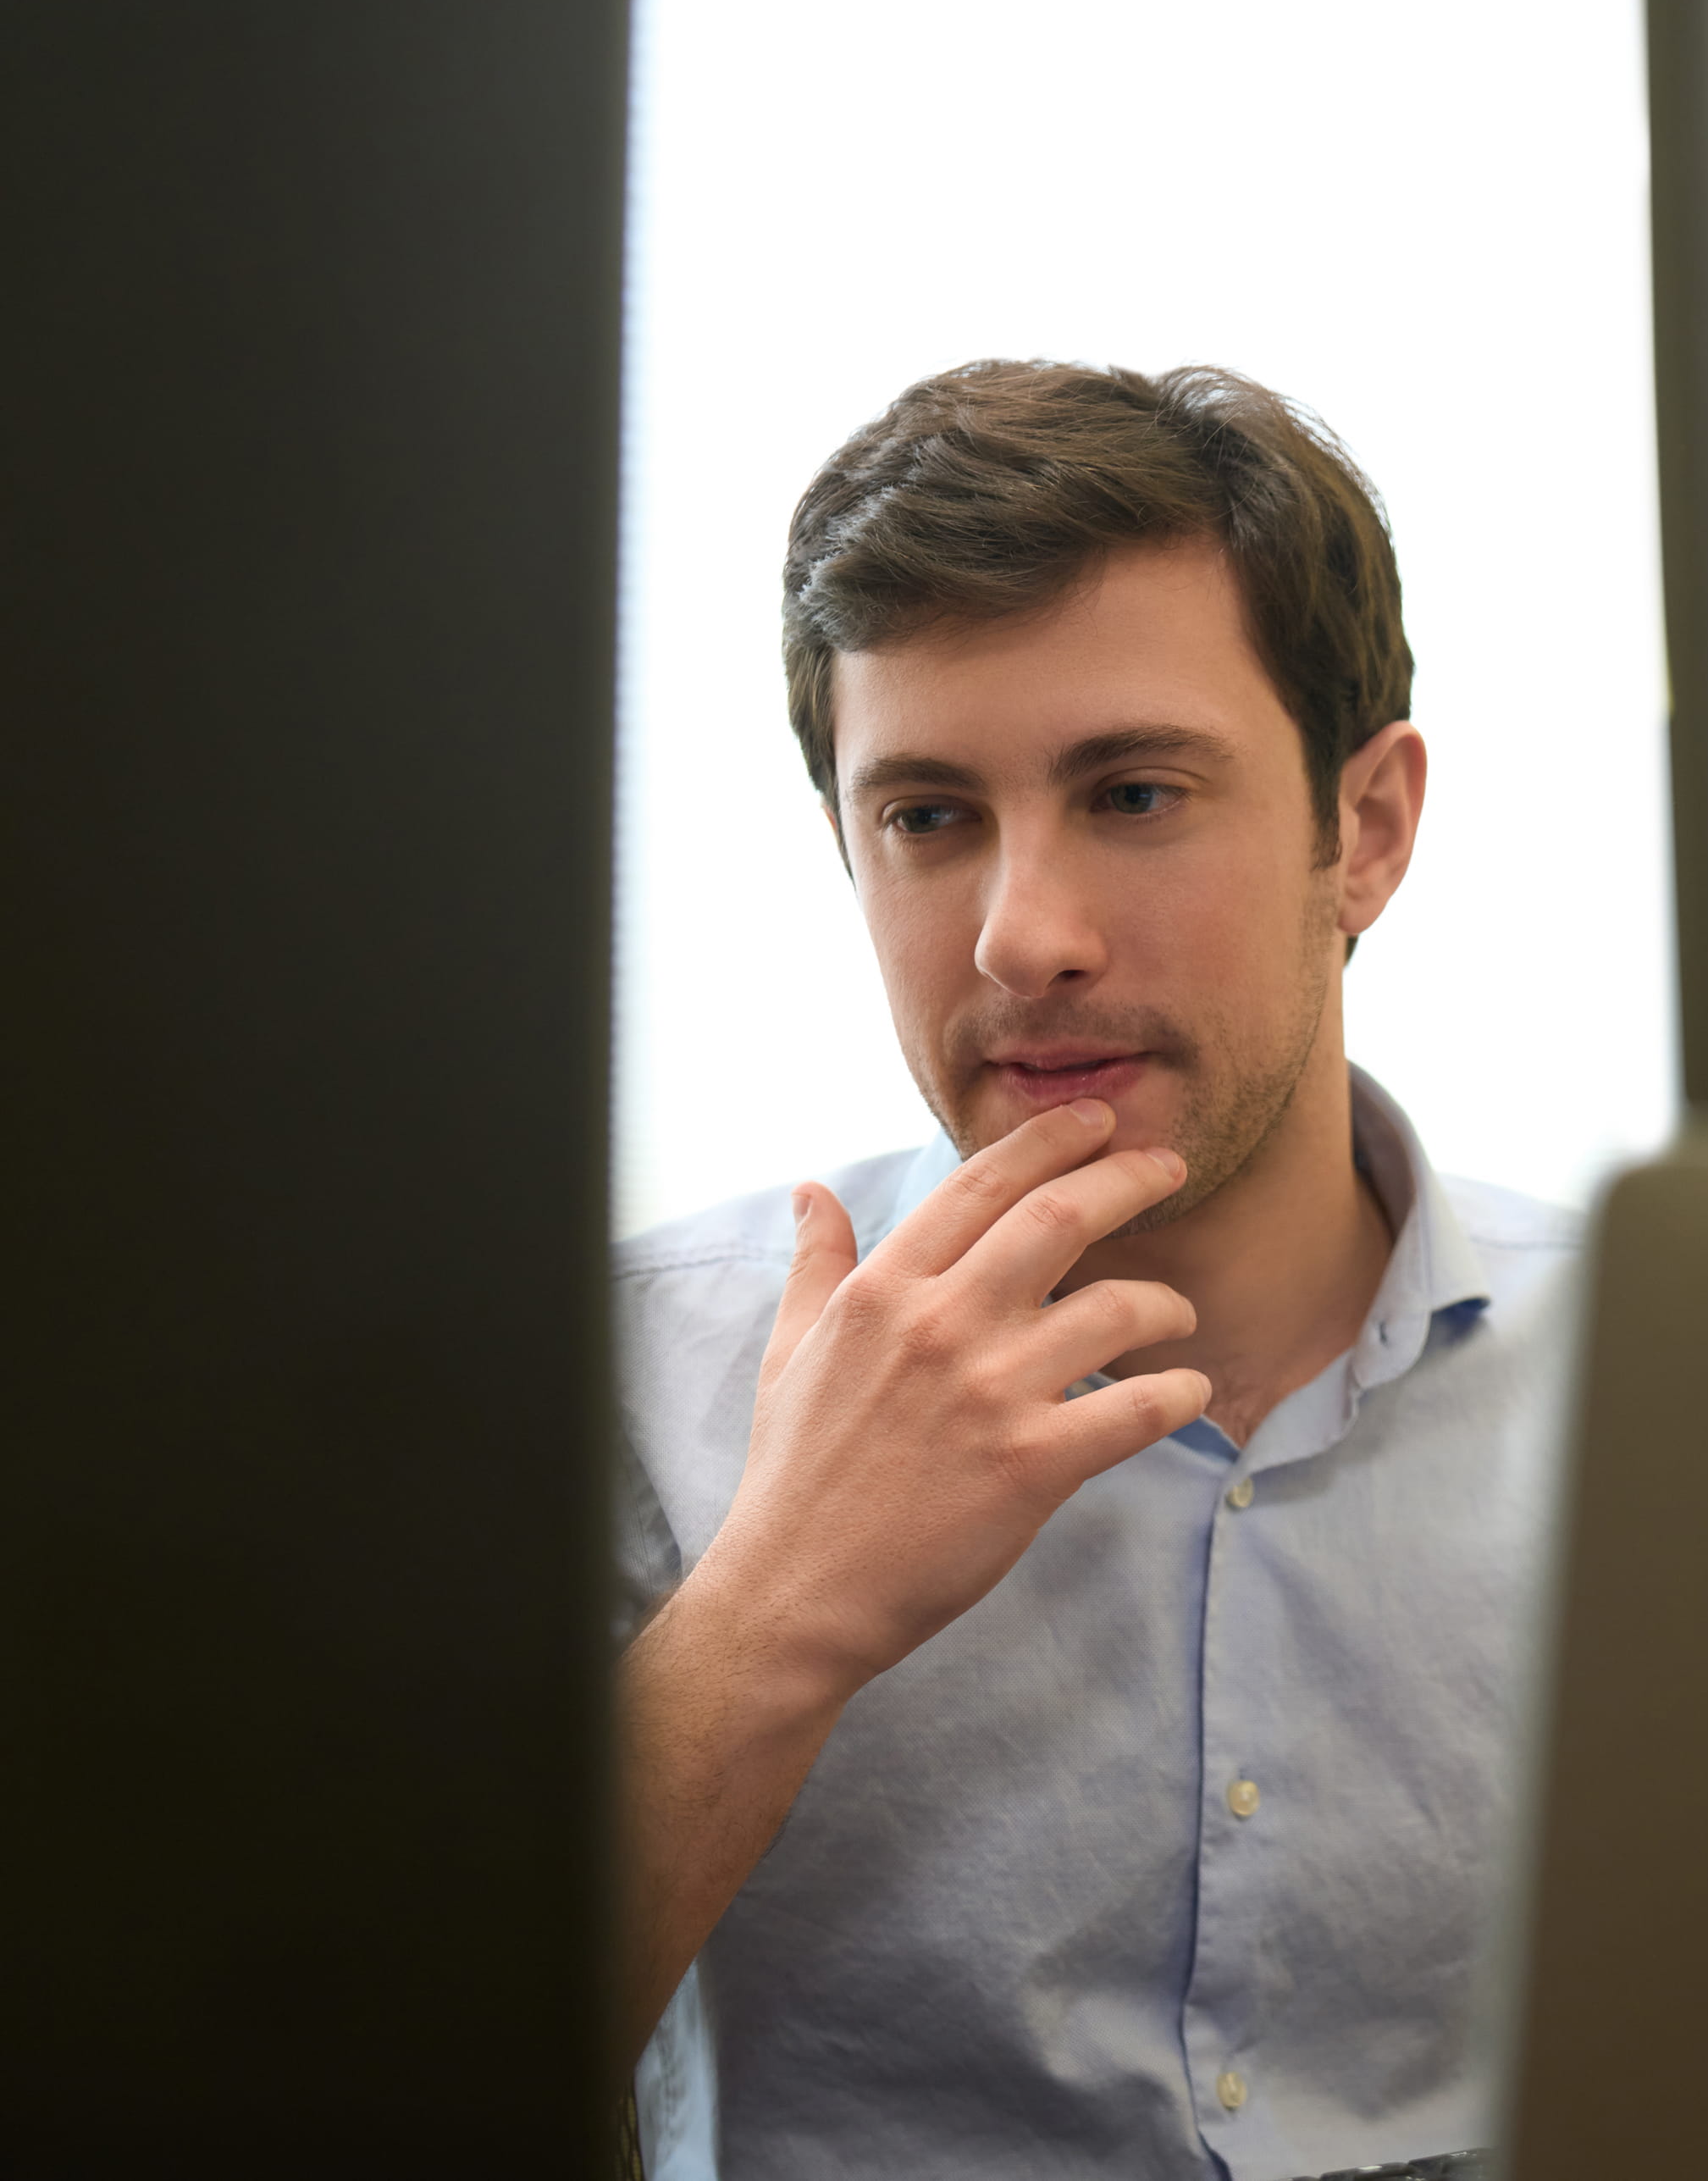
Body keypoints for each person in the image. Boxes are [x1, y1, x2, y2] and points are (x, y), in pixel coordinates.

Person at [611, 361, 1578, 2179]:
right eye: (926, 816)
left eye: (1131, 793)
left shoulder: (1677, 1391)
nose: (1019, 937)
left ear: (1359, 832)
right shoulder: (626, 1373)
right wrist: (778, 1601)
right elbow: (323, 2087)